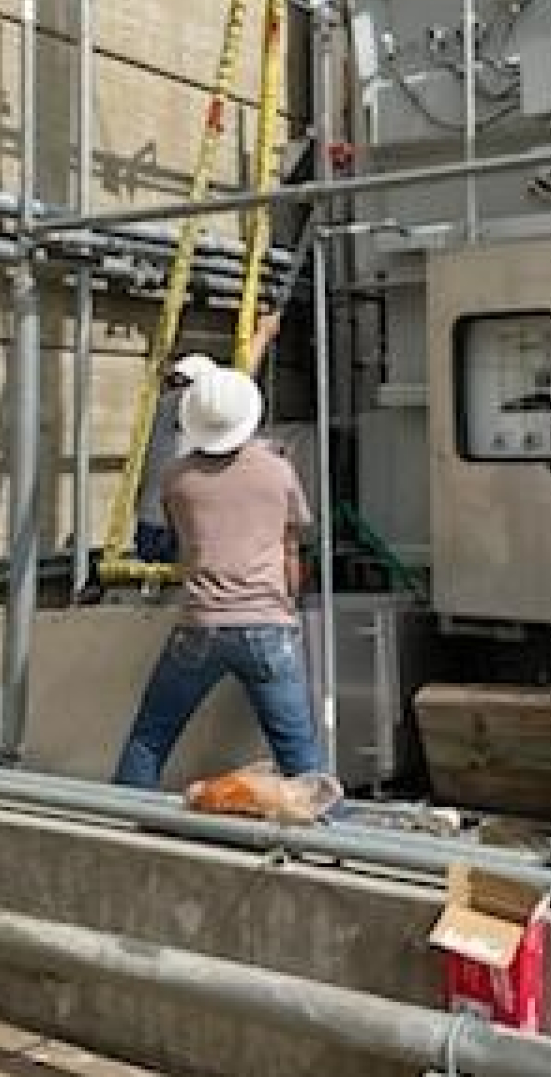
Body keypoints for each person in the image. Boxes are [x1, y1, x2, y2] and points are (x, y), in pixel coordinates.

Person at [114, 366, 324, 787]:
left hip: (201, 625)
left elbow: (172, 538)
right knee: (300, 754)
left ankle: (125, 822)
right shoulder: (278, 471)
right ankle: (335, 838)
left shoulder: (178, 479)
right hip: (268, 625)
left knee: (151, 736)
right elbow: (291, 544)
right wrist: (291, 605)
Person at [134, 311, 282, 562]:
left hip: (147, 532)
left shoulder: (157, 409)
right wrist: (263, 334)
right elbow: (240, 381)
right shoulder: (197, 407)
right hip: (183, 533)